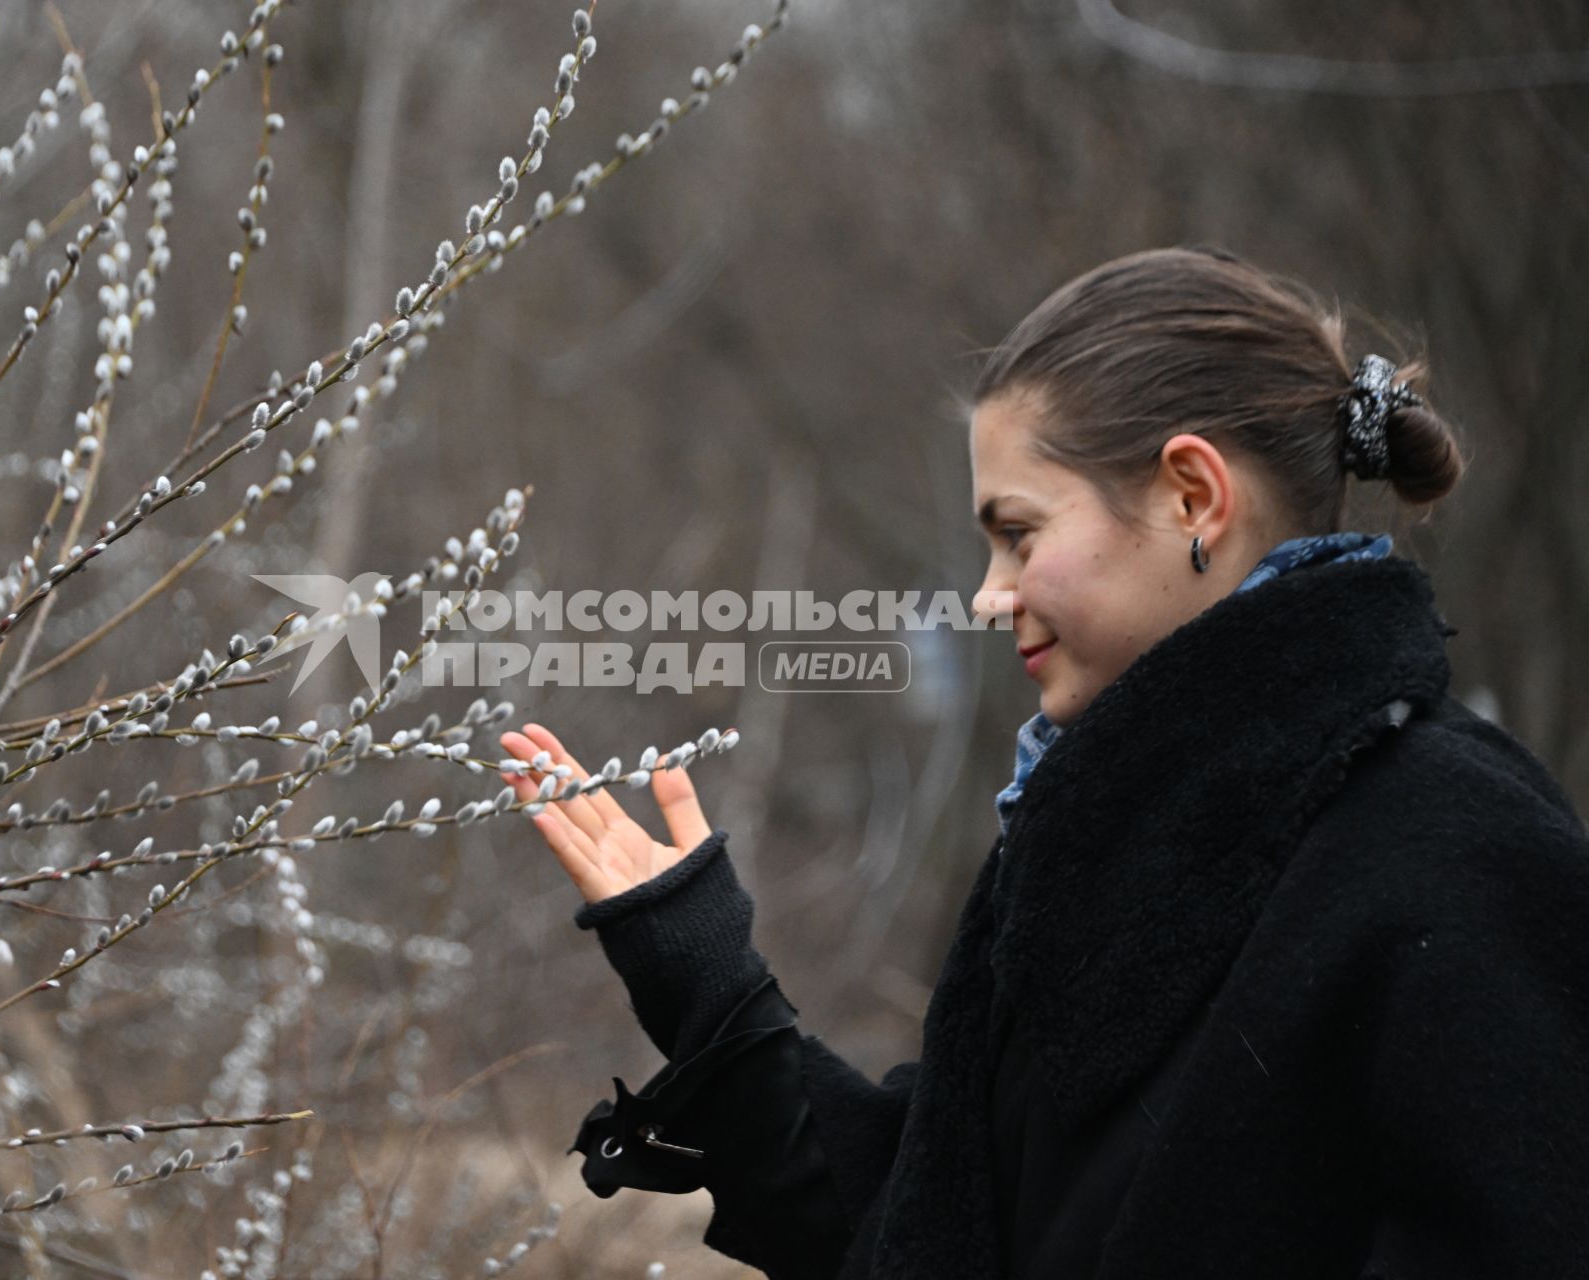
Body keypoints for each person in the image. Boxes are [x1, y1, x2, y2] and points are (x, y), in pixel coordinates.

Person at [501, 246, 1589, 1280]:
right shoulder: (1088, 839)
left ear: (1193, 497)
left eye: (1018, 533)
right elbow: (932, 1235)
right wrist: (702, 977)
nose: (987, 592)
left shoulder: (1458, 848)